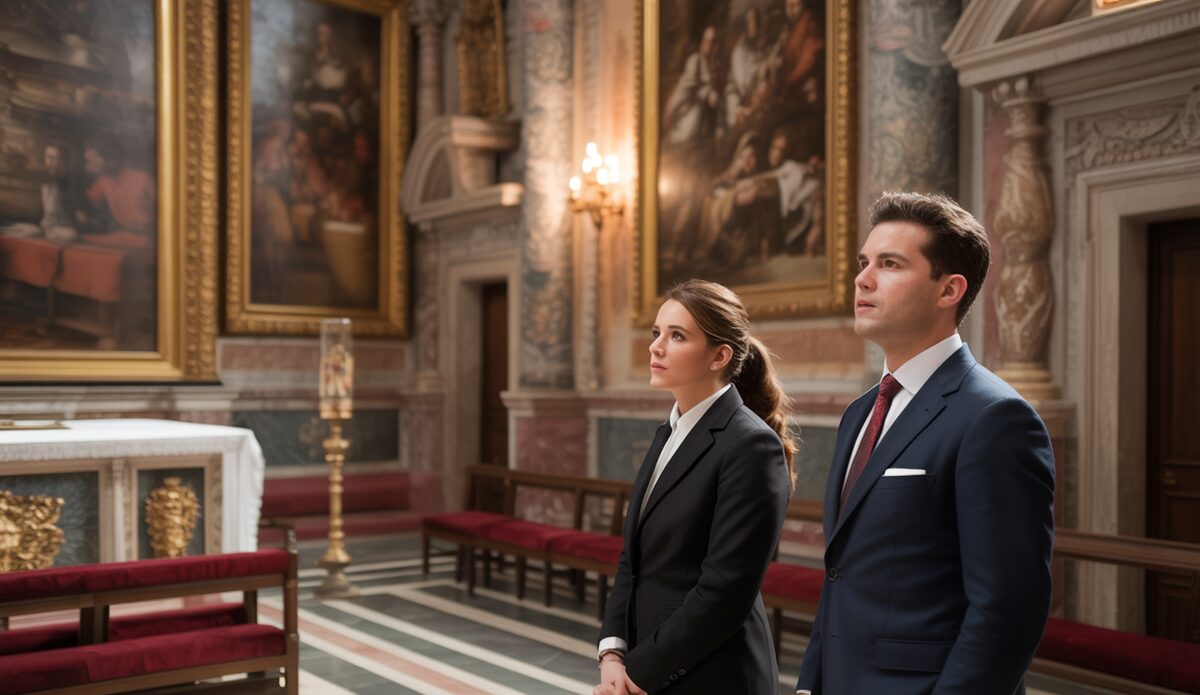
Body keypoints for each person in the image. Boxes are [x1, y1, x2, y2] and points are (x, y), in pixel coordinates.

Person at [795, 192, 1055, 694]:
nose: (862, 279)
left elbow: (1007, 611)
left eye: (890, 264)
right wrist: (811, 684)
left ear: (948, 290)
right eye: (863, 262)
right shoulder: (860, 412)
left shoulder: (995, 417)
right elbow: (840, 576)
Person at [594, 279, 793, 695]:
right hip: (646, 664)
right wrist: (612, 652)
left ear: (720, 355)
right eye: (656, 333)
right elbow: (632, 558)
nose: (656, 346)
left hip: (712, 673)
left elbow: (725, 593)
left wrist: (637, 674)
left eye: (677, 335)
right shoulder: (668, 432)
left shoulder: (751, 444)